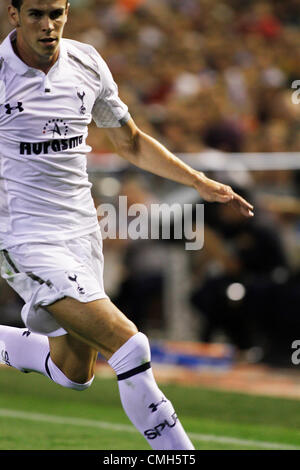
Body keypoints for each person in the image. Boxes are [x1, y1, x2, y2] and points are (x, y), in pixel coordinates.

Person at [0, 0, 254, 450]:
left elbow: (131, 142)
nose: (48, 24)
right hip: (24, 236)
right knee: (130, 347)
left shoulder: (86, 63)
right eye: (36, 13)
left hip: (81, 231)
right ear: (14, 15)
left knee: (72, 372)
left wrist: (198, 182)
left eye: (56, 13)